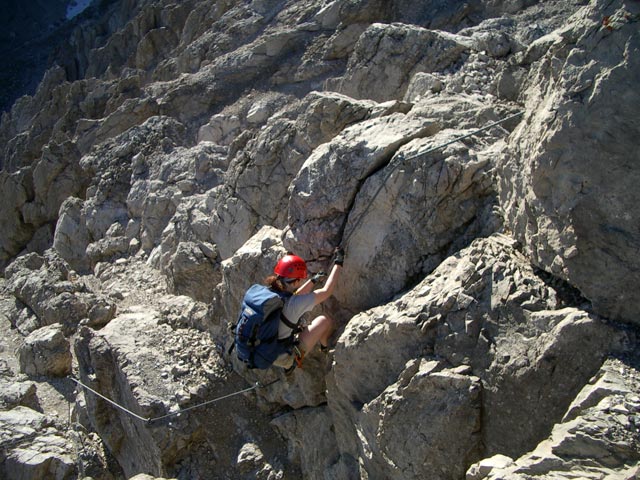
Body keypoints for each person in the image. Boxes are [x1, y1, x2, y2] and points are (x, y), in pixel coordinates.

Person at [266, 247, 344, 369]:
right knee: (325, 320)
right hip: (283, 356)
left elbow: (294, 297)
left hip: (268, 347)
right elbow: (326, 291)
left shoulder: (271, 291)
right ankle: (323, 348)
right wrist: (338, 262)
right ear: (296, 282)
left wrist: (313, 281)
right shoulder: (295, 304)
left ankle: (323, 347)